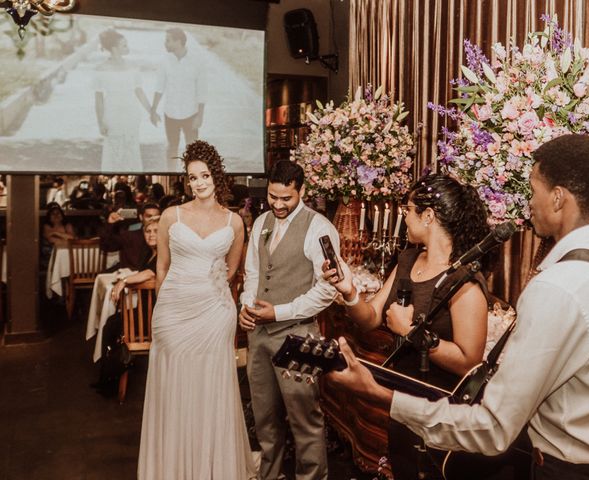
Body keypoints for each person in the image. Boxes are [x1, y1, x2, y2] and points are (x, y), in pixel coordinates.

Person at [327, 134, 589, 479]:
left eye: (533, 192)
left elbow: (493, 427)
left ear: (557, 198)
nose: (528, 204)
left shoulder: (557, 287)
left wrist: (379, 393)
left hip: (572, 470)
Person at [323, 174, 492, 479]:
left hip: (438, 409)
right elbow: (371, 317)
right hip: (400, 400)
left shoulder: (463, 280)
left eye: (408, 210)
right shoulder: (408, 259)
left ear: (428, 216)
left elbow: (469, 361)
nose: (404, 218)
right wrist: (349, 291)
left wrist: (411, 331)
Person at [138, 140, 254, 479]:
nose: (199, 183)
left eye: (204, 176)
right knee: (174, 388)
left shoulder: (234, 222)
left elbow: (232, 272)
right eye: (192, 177)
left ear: (216, 177)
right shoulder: (171, 217)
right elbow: (161, 268)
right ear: (186, 181)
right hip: (173, 313)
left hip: (214, 313)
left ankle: (210, 467)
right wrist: (164, 310)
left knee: (211, 389)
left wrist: (208, 293)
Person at [238, 160, 340, 480]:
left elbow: (327, 291)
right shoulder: (261, 222)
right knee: (265, 419)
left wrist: (279, 312)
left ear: (302, 191)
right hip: (260, 335)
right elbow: (252, 273)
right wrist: (246, 305)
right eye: (273, 197)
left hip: (300, 335)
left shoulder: (319, 227)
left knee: (304, 420)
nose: (278, 205)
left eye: (287, 198)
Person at [92, 216, 160, 397]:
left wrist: (124, 281)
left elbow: (149, 272)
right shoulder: (149, 252)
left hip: (155, 316)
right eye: (147, 231)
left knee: (114, 326)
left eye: (156, 231)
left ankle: (114, 374)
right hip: (146, 311)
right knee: (111, 324)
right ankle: (110, 375)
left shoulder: (162, 254)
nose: (151, 235)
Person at [93, 29, 154, 172]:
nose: (128, 48)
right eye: (124, 45)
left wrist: (151, 111)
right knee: (114, 147)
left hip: (131, 112)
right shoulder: (100, 69)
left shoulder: (133, 67)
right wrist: (100, 122)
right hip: (112, 112)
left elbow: (139, 91)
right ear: (114, 48)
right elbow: (99, 99)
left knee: (131, 146)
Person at [150, 28, 207, 171]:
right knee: (171, 148)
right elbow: (159, 87)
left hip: (191, 113)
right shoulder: (164, 61)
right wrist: (153, 110)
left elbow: (202, 91)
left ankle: (192, 177)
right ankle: (171, 173)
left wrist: (200, 116)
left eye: (168, 40)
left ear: (179, 41)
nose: (165, 43)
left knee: (193, 151)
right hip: (171, 113)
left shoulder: (197, 61)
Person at [99, 202, 161, 271]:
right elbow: (106, 246)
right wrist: (110, 224)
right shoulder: (130, 236)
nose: (152, 219)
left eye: (156, 216)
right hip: (128, 274)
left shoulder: (163, 239)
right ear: (141, 217)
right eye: (149, 216)